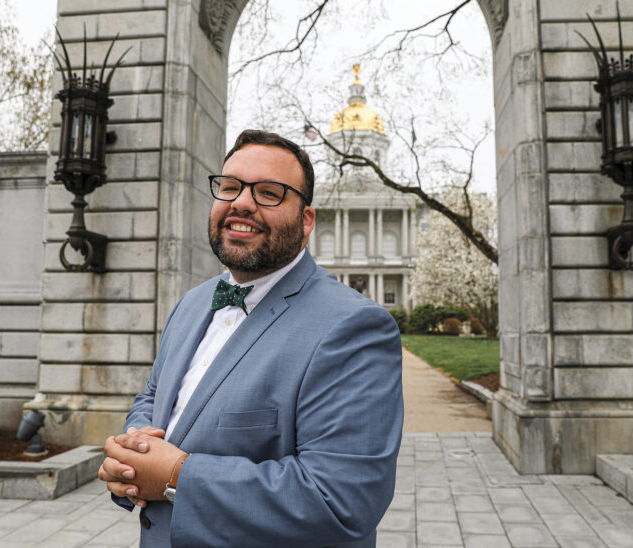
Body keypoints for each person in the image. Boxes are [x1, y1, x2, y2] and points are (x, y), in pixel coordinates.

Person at [98, 129, 404, 547]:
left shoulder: (354, 327)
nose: (241, 202)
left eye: (269, 192)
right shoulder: (192, 303)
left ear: (307, 219)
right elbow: (154, 398)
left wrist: (176, 476)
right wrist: (131, 453)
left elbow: (342, 500)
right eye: (230, 187)